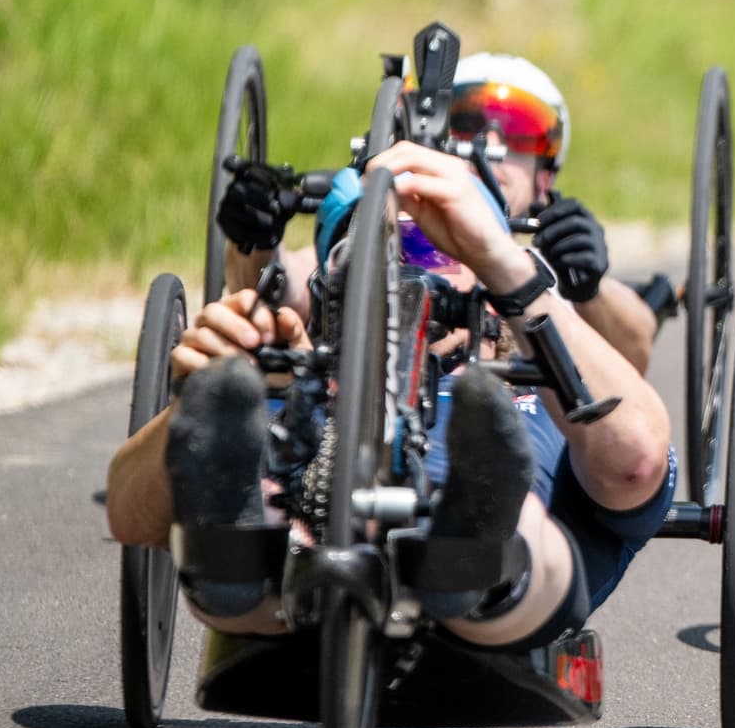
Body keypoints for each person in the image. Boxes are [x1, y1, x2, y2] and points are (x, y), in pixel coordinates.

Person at [104, 138, 675, 650]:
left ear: (482, 266)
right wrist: (199, 403)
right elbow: (129, 515)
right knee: (271, 492)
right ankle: (234, 557)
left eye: (435, 249)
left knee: (515, 507)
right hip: (306, 572)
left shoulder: (545, 380)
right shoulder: (298, 369)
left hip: (507, 580)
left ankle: (463, 548)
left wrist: (504, 263)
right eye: (378, 253)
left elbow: (639, 458)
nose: (406, 271)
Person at [210, 52, 659, 376]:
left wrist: (592, 290)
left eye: (515, 130)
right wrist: (257, 238)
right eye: (462, 124)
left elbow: (633, 352)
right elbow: (281, 285)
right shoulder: (393, 228)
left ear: (545, 178)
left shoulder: (545, 268)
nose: (483, 146)